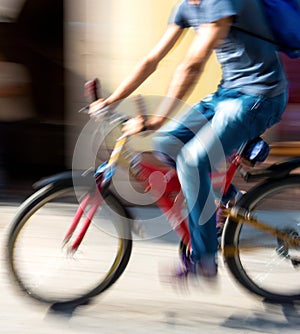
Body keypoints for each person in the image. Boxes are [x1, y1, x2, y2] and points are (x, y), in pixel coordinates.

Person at [90, 0, 288, 279]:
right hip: (227, 94)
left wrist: (155, 120)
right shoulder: (186, 7)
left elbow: (192, 65)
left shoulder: (222, 2)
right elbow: (152, 60)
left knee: (192, 161)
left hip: (260, 97)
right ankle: (226, 199)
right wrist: (111, 101)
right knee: (165, 144)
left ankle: (204, 258)